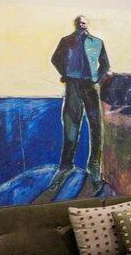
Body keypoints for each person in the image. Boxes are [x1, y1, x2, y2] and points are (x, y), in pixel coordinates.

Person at [48, 15, 112, 192]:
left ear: (87, 24)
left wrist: (97, 78)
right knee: (71, 126)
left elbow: (105, 64)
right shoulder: (66, 41)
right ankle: (66, 166)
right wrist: (66, 73)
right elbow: (55, 59)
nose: (81, 24)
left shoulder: (97, 42)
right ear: (75, 24)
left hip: (91, 87)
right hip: (73, 86)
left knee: (96, 127)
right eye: (79, 22)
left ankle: (94, 166)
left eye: (84, 21)